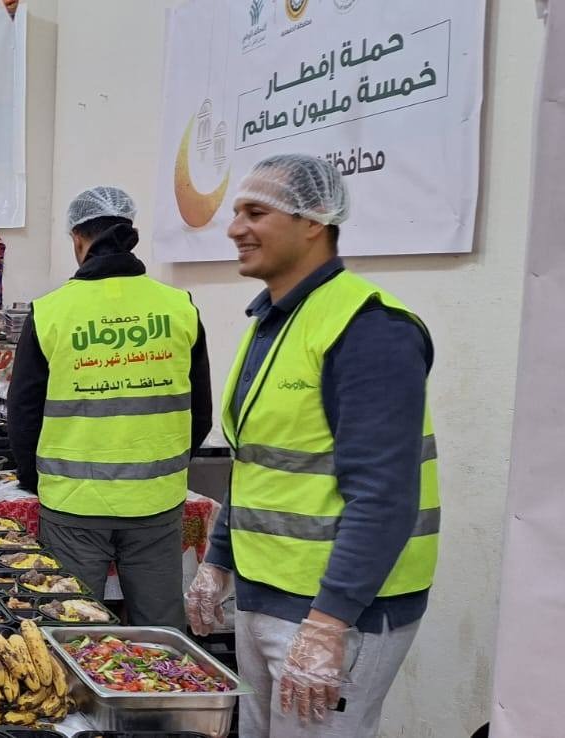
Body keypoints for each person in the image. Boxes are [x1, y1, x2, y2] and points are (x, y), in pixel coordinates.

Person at [186, 154, 439, 736]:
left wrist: (329, 622)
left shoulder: (368, 328)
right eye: (236, 213)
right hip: (265, 594)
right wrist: (219, 559)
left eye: (256, 213)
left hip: (335, 614)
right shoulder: (273, 321)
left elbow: (384, 496)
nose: (235, 229)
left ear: (314, 220)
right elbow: (259, 463)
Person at [6, 186, 212, 632]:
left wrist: (34, 480)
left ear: (78, 238)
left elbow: (22, 415)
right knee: (159, 632)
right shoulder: (178, 307)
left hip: (73, 505)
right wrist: (165, 469)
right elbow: (200, 411)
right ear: (129, 231)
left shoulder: (52, 311)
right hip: (156, 502)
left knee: (70, 627)